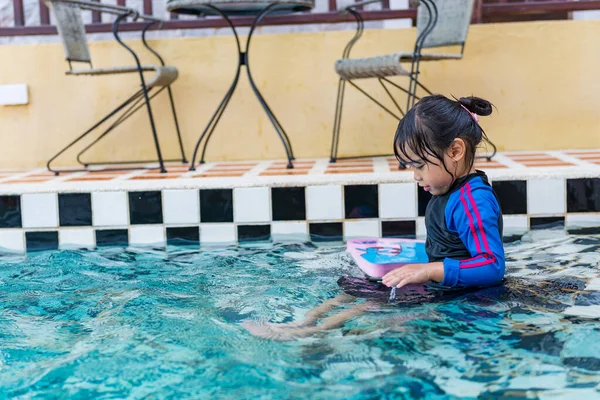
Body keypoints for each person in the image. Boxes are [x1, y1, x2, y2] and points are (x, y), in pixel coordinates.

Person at [243, 94, 506, 340]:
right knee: (355, 288)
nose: (415, 175)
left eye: (420, 165)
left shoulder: (473, 200)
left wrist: (428, 270)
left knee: (373, 303)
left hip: (465, 297)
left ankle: (313, 334)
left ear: (455, 151)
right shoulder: (451, 189)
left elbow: (492, 266)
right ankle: (303, 323)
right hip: (445, 285)